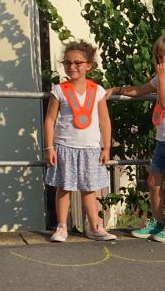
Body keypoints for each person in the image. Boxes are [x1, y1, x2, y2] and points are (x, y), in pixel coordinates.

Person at [117, 33, 165, 243]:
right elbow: (141, 90)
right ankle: (158, 222)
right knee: (153, 181)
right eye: (159, 57)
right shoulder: (164, 77)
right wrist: (117, 90)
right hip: (163, 138)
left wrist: (161, 78)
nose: (163, 62)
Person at [44, 40, 116, 242]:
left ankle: (94, 226)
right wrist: (49, 147)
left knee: (89, 188)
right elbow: (49, 120)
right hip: (65, 146)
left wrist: (106, 147)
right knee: (63, 187)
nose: (72, 66)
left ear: (88, 65)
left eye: (77, 62)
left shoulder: (97, 90)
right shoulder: (59, 90)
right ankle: (61, 226)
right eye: (67, 62)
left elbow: (105, 121)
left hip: (90, 148)